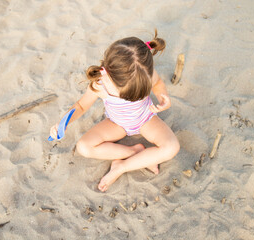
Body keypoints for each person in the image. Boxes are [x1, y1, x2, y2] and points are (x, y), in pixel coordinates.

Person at [50, 30, 180, 192]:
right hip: (116, 123)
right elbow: (81, 106)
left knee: (171, 147)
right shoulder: (100, 85)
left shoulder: (145, 74)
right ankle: (135, 152)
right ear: (108, 75)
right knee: (83, 147)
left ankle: (122, 166)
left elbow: (158, 84)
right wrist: (64, 122)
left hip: (145, 119)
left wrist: (163, 99)